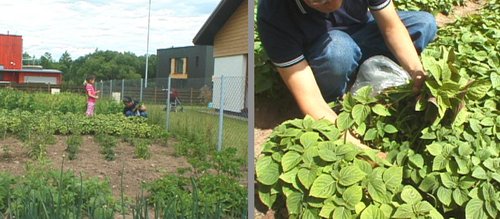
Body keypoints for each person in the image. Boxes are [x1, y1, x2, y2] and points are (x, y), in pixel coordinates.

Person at [257, 0, 437, 147]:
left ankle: (363, 74)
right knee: (338, 50)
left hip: (361, 32)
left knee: (424, 24)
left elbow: (391, 28)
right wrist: (356, 147)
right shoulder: (273, 12)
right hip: (325, 54)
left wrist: (417, 72)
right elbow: (310, 99)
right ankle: (338, 99)